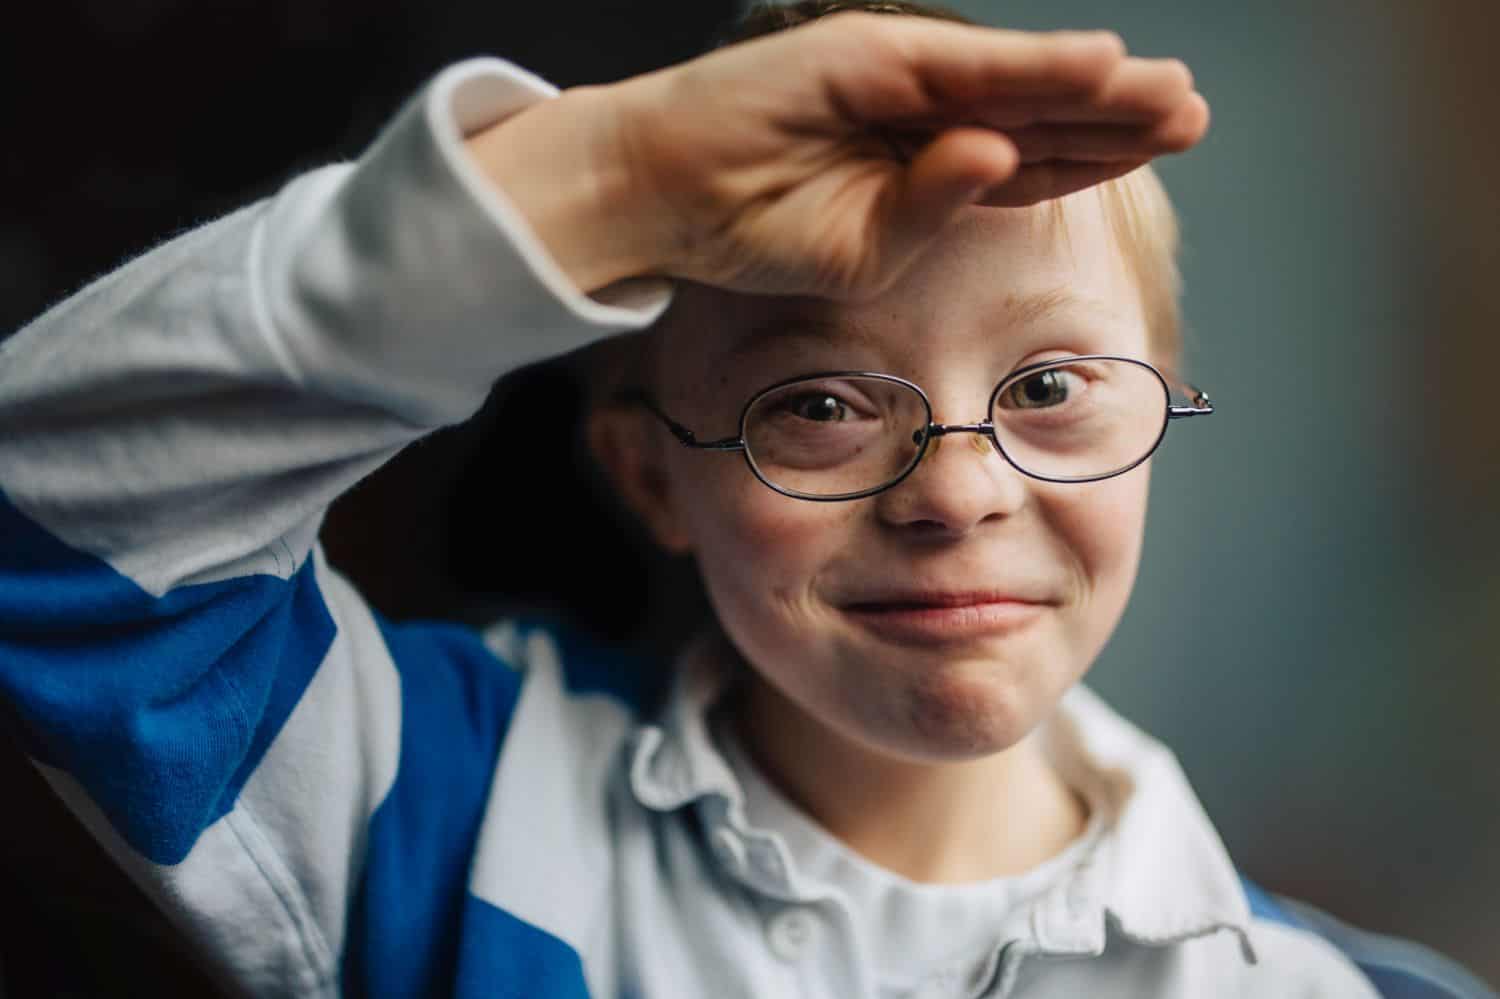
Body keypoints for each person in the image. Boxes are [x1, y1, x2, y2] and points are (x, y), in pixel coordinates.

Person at [0, 1, 1491, 996]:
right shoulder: (443, 808)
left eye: (1048, 385)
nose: (956, 491)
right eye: (820, 405)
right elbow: (58, 515)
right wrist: (611, 178)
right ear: (651, 472)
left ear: (1158, 415)